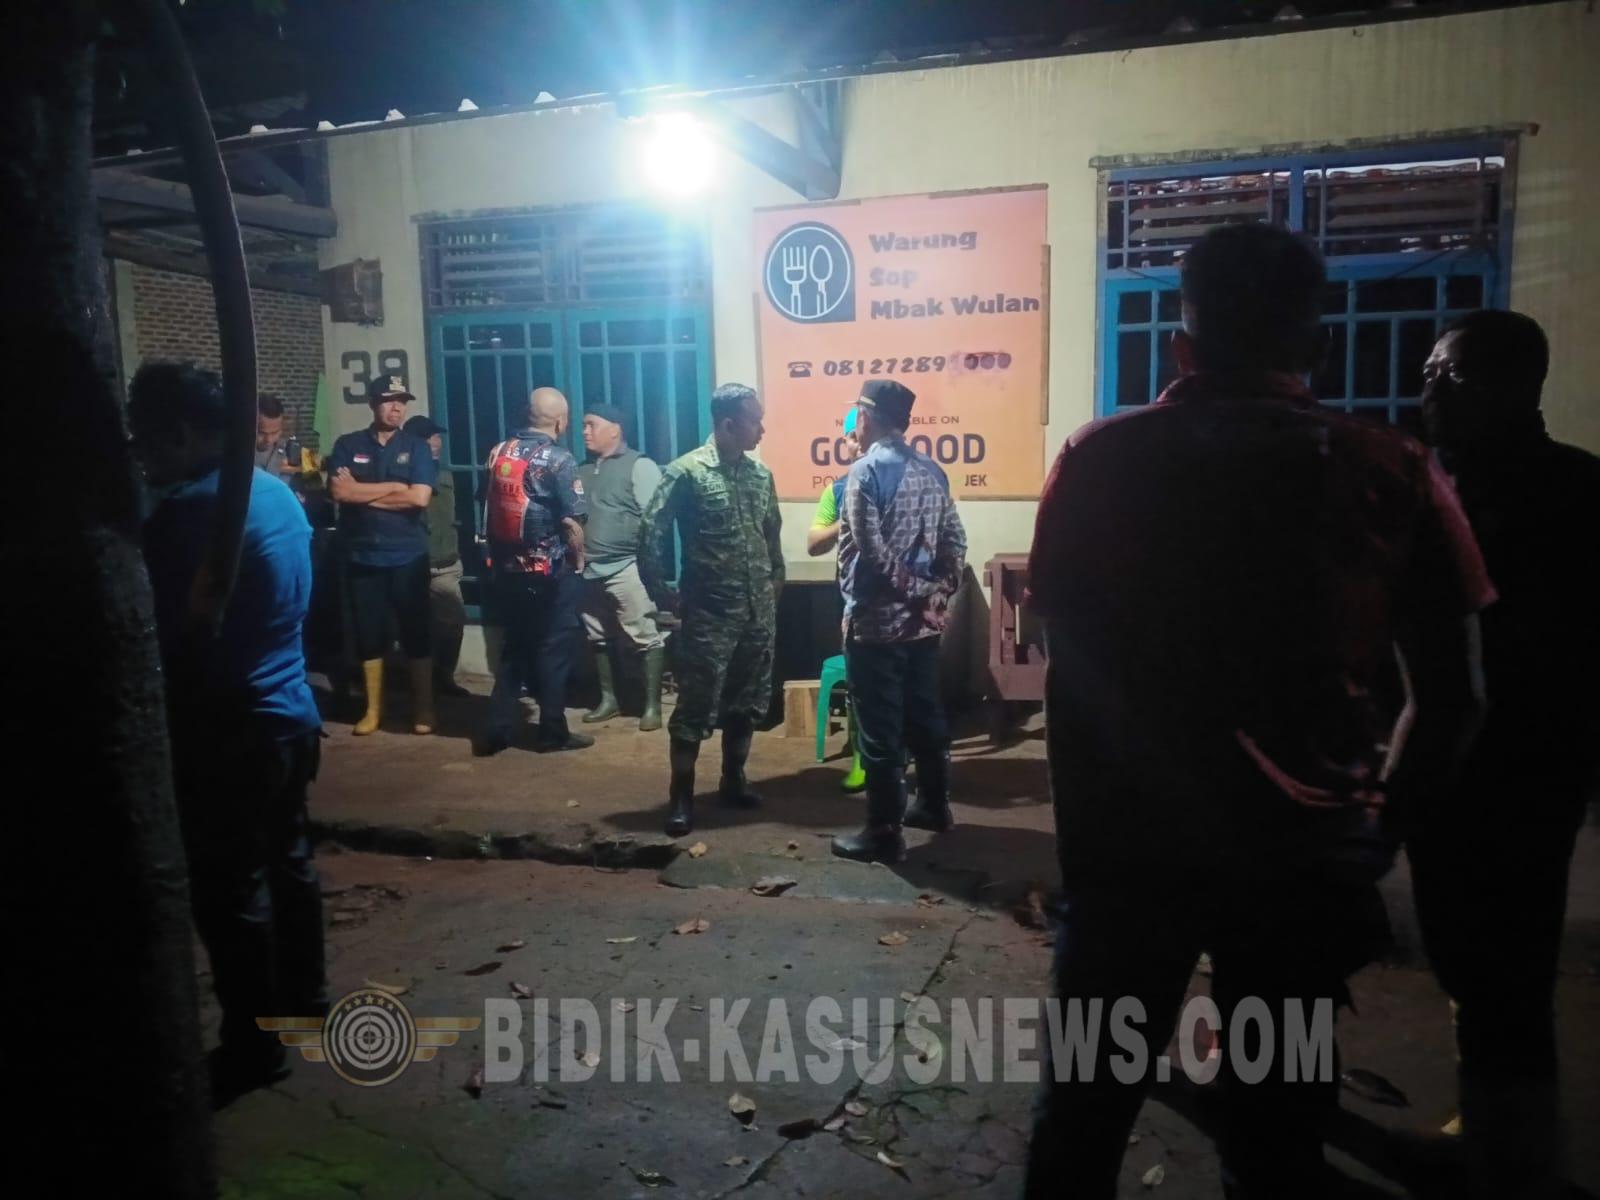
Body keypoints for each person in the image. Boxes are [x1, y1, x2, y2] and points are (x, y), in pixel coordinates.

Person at [1024, 223, 1493, 1198]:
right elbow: (1452, 699)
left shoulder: (1099, 459)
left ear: (1180, 347)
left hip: (1130, 860)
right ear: (1316, 345)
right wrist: (1369, 840)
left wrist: (1088, 851)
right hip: (1300, 865)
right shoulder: (1394, 466)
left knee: (1084, 1120)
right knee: (1275, 1133)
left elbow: (1071, 670)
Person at [1409, 310, 1600, 1196]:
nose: (1427, 392)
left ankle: (1515, 1162)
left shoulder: (1570, 491)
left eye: (1445, 376)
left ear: (1512, 385)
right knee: (1471, 960)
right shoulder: (1438, 485)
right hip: (1459, 760)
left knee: (1507, 967)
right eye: (1427, 375)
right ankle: (1495, 1131)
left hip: (1523, 765)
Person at [128, 361, 327, 1106]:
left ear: (182, 435)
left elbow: (161, 625)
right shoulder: (272, 494)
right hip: (290, 714)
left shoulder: (190, 514)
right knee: (289, 864)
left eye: (147, 440)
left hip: (229, 725)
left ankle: (255, 1045)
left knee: (231, 889)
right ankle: (306, 1000)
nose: (142, 456)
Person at [829, 380, 966, 863]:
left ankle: (884, 833)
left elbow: (871, 551)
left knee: (879, 727)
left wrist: (915, 593)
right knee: (924, 713)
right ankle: (934, 806)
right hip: (924, 626)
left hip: (876, 627)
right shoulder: (933, 471)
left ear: (866, 418)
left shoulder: (864, 471)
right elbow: (955, 540)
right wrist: (937, 594)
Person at [638, 382, 784, 837]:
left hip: (757, 613)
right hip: (709, 615)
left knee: (747, 703)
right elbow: (651, 531)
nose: (762, 429)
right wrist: (661, 592)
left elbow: (772, 534)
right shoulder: (687, 472)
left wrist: (775, 584)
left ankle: (733, 780)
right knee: (695, 707)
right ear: (729, 424)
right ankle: (681, 797)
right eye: (755, 421)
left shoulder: (760, 475)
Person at [477, 387, 592, 756]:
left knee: (514, 648)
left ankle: (498, 728)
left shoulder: (498, 452)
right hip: (549, 574)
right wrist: (578, 562)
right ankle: (551, 732)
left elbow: (485, 501)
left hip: (507, 570)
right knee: (553, 650)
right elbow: (572, 522)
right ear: (560, 421)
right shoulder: (559, 459)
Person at [325, 373, 439, 735]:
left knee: (416, 633)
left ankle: (424, 708)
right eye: (390, 401)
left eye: (402, 401)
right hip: (363, 556)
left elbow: (419, 497)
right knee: (368, 635)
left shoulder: (416, 447)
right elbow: (339, 493)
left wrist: (362, 493)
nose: (397, 408)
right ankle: (373, 709)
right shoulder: (348, 445)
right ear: (373, 403)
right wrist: (392, 487)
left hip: (407, 556)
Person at [576, 403, 666, 732]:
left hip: (626, 566)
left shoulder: (639, 466)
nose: (585, 431)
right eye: (583, 425)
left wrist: (649, 568)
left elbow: (656, 521)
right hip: (587, 568)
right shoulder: (582, 469)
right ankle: (609, 700)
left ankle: (652, 706)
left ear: (615, 429)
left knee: (645, 635)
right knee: (598, 635)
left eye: (592, 424)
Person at [808, 404, 867, 793]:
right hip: (852, 601)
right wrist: (846, 521)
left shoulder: (902, 482)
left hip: (898, 602)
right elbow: (814, 542)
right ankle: (861, 755)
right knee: (858, 681)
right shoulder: (838, 490)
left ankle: (893, 751)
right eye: (849, 437)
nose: (854, 444)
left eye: (859, 436)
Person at [403, 414, 469, 698]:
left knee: (453, 623)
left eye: (437, 436)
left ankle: (444, 677)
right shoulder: (401, 475)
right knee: (414, 627)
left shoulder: (445, 475)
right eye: (430, 437)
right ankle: (420, 683)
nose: (437, 442)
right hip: (412, 562)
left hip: (445, 562)